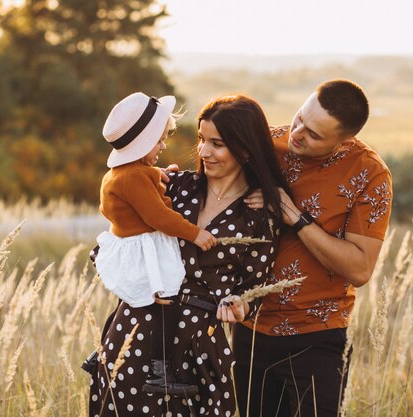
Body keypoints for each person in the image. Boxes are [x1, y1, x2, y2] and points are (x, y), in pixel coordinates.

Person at [88, 94, 290, 417]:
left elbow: (254, 287)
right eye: (201, 139)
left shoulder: (258, 215)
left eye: (217, 143)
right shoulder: (176, 187)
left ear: (246, 150)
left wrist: (241, 305)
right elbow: (122, 218)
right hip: (135, 333)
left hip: (200, 348)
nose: (204, 151)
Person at [235, 79, 393, 417]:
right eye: (300, 118)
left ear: (343, 140)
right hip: (249, 327)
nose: (297, 133)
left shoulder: (369, 174)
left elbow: (360, 268)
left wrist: (295, 216)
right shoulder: (265, 144)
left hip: (317, 336)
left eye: (315, 134)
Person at [91, 92, 217, 396]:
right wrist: (194, 233)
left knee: (153, 300)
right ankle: (160, 369)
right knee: (166, 301)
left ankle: (114, 356)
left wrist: (158, 175)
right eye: (159, 141)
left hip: (134, 244)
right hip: (145, 249)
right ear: (143, 145)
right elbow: (158, 215)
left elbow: (137, 182)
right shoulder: (132, 178)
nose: (163, 146)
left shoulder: (122, 173)